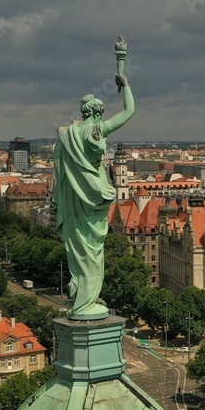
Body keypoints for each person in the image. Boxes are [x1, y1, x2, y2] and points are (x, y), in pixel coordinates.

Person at [53, 73, 134, 319]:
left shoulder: (68, 135)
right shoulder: (97, 131)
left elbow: (60, 169)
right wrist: (126, 85)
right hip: (95, 196)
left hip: (73, 198)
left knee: (78, 249)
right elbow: (129, 112)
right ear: (98, 113)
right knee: (93, 250)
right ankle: (85, 302)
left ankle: (82, 296)